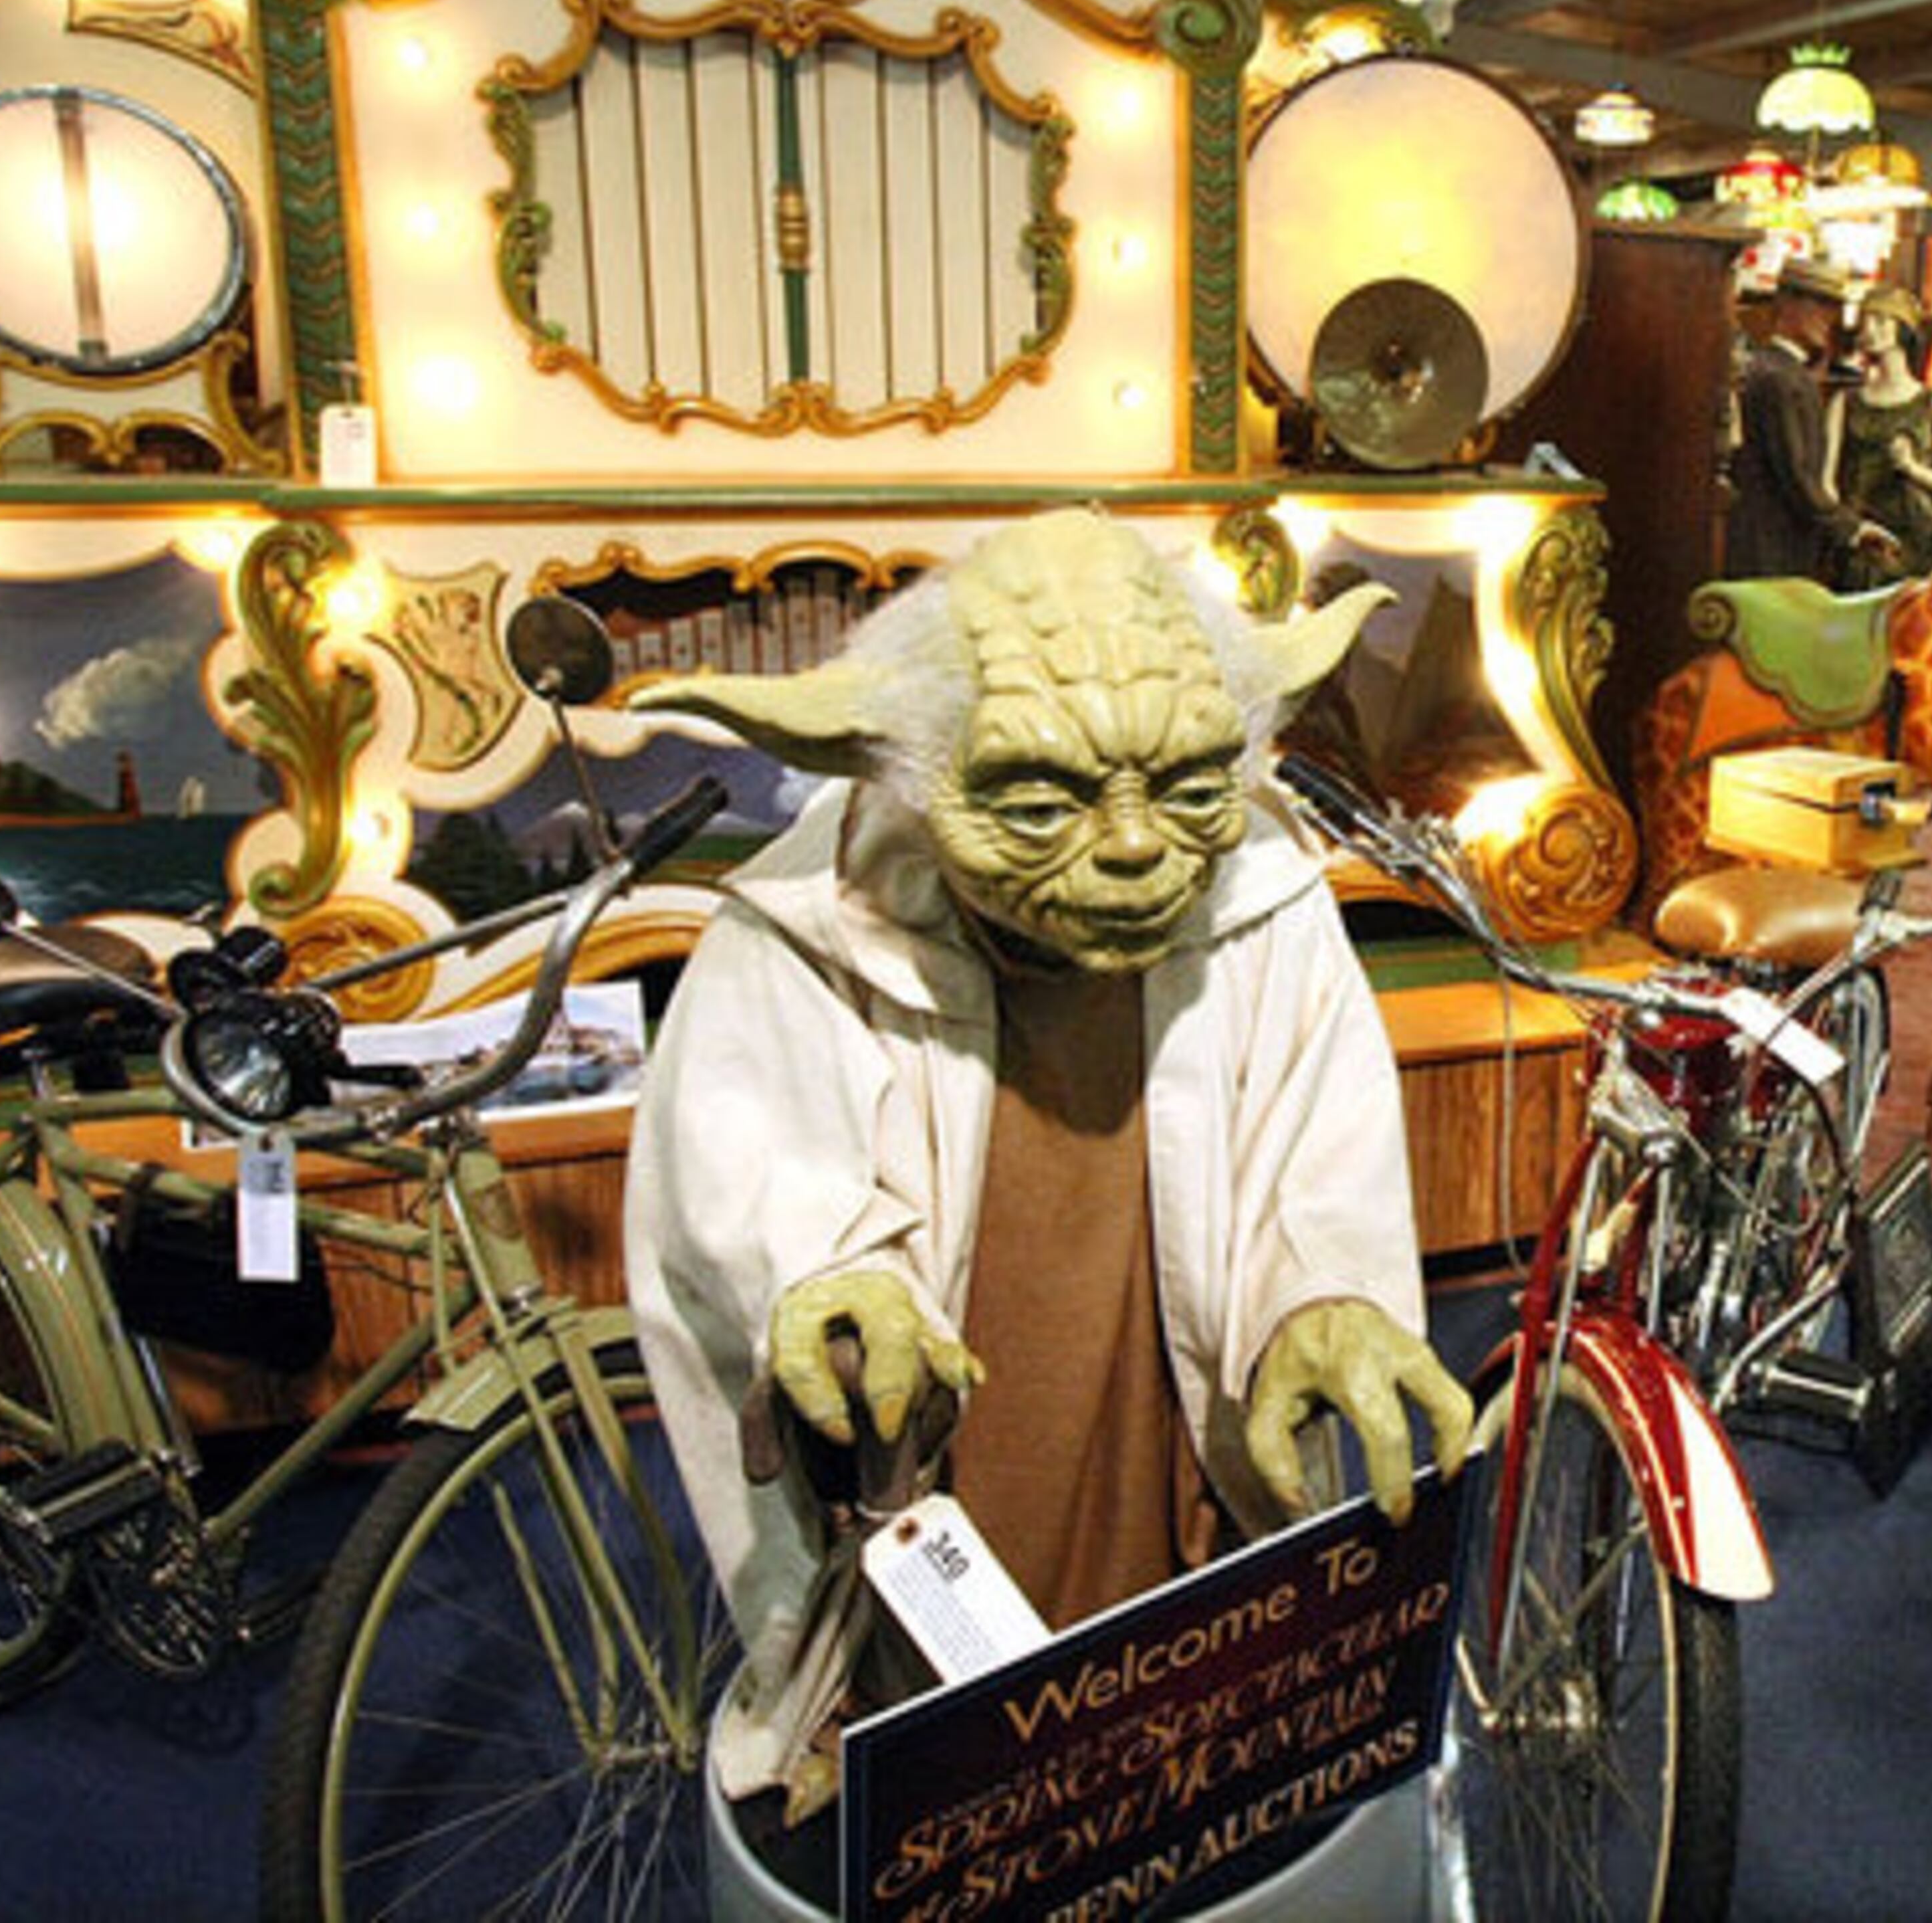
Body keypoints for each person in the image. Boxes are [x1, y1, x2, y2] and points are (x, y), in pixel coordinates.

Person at [620, 508, 1472, 1820]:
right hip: (963, 1430)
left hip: (1165, 1416)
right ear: (911, 770)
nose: (1133, 848)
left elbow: (1322, 1128)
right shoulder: (808, 925)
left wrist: (1325, 1297)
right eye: (1036, 797)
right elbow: (744, 1139)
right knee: (944, 1705)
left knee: (1183, 1655)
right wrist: (829, 1271)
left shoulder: (1263, 894)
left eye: (1191, 786)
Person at [1724, 253, 1899, 581]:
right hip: (1772, 554)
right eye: (1820, 305)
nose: (1830, 318)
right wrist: (1853, 530)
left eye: (1834, 308)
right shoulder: (1783, 379)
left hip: (1761, 548)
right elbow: (1798, 477)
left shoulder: (1767, 369)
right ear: (1787, 304)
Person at [1821, 283, 1932, 587]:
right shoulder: (1846, 402)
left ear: (1902, 329)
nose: (1871, 330)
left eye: (1882, 321)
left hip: (1916, 538)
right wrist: (1850, 528)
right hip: (1863, 536)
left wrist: (1912, 468)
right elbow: (1826, 484)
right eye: (1866, 321)